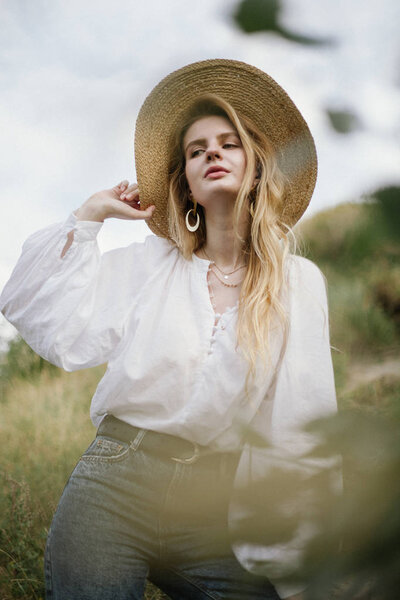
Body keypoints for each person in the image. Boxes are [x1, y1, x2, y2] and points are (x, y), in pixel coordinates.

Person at [0, 59, 338, 600]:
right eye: (196, 149)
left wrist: (296, 546)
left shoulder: (297, 282)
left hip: (213, 509)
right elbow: (41, 311)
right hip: (114, 485)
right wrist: (90, 215)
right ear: (186, 181)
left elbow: (302, 415)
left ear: (256, 165)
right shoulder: (154, 263)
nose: (212, 154)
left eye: (229, 144)